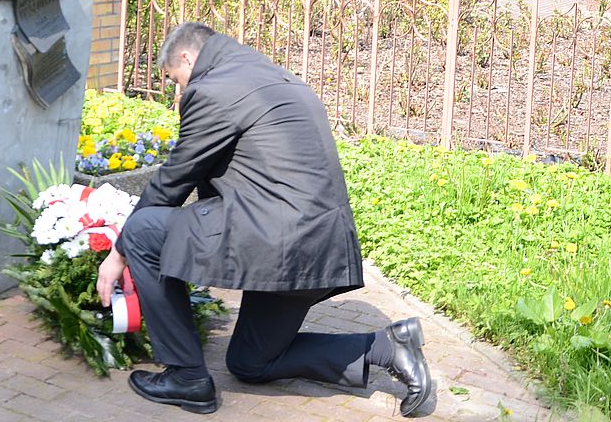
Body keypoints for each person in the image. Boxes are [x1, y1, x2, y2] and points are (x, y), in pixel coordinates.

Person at [97, 22, 433, 415]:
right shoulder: (274, 75)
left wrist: (118, 253)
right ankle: (388, 347)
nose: (178, 91)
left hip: (275, 241)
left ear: (186, 58)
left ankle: (186, 378)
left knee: (142, 231)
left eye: (174, 79)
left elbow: (175, 178)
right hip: (318, 246)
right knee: (250, 363)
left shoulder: (213, 88)